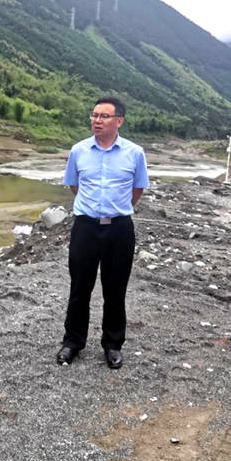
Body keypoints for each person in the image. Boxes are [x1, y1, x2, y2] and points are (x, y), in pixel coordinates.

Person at [56, 97, 149, 369]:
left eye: (104, 116)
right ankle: (73, 342)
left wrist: (116, 209)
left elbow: (137, 189)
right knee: (79, 287)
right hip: (85, 227)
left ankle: (113, 344)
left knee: (115, 289)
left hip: (119, 229)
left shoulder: (135, 153)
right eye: (94, 115)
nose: (97, 120)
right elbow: (74, 185)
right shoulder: (78, 151)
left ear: (119, 121)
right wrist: (93, 209)